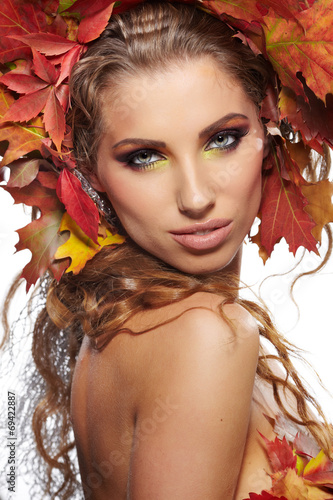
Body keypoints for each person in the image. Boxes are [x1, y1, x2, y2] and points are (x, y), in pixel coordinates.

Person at [1, 1, 333, 499]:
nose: (196, 198)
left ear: (269, 129)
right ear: (87, 172)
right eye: (145, 156)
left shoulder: (123, 328)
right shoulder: (202, 334)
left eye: (223, 138)